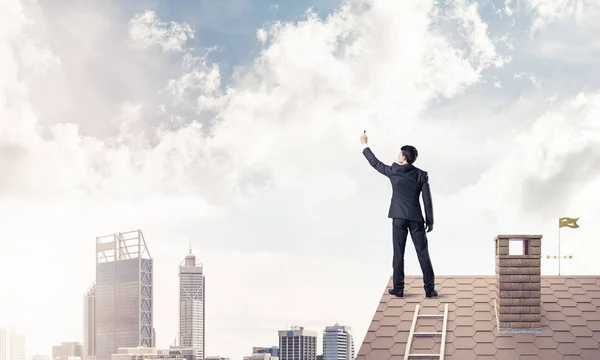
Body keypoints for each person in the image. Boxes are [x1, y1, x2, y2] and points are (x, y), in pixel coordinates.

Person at [360, 131, 438, 298]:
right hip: (416, 219)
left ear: (404, 158)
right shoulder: (421, 174)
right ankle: (429, 290)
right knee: (423, 253)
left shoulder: (394, 171)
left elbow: (375, 163)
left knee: (398, 253)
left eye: (399, 153)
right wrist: (429, 221)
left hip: (398, 218)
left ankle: (399, 288)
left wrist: (365, 145)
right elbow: (427, 200)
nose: (397, 155)